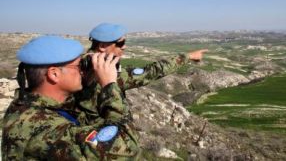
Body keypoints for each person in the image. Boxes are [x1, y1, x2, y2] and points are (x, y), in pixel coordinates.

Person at [1, 36, 142, 160]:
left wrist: (91, 79)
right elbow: (126, 149)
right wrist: (109, 85)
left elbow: (86, 119)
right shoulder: (44, 128)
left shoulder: (33, 104)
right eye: (78, 66)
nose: (82, 70)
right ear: (54, 74)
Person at [75, 23, 207, 123]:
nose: (124, 47)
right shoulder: (100, 71)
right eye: (120, 43)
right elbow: (152, 71)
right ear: (103, 46)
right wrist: (188, 57)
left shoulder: (83, 63)